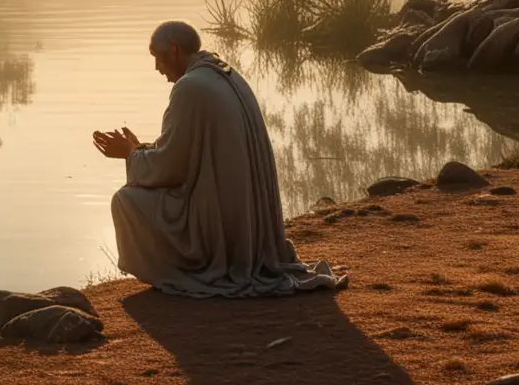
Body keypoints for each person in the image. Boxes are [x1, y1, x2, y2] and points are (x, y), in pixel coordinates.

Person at [93, 20, 347, 298]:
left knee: (126, 201)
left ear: (174, 50)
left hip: (218, 216)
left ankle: (180, 271)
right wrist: (140, 148)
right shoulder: (223, 71)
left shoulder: (189, 88)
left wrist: (129, 154)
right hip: (245, 214)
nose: (157, 69)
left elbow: (170, 168)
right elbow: (189, 150)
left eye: (158, 58)